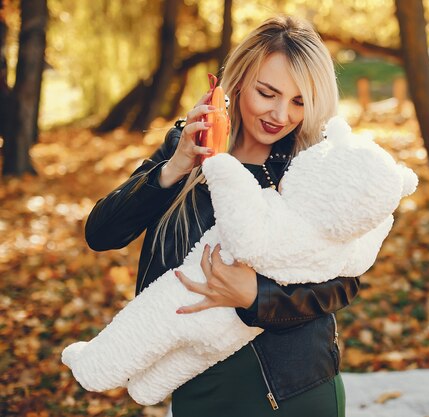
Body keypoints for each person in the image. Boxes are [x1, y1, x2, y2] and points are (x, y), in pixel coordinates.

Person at [84, 15, 359, 417]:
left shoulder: (312, 167)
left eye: (300, 101)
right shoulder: (187, 148)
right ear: (240, 79)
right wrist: (174, 167)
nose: (281, 115)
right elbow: (101, 233)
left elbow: (344, 283)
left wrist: (257, 298)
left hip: (297, 384)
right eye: (268, 93)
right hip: (201, 385)